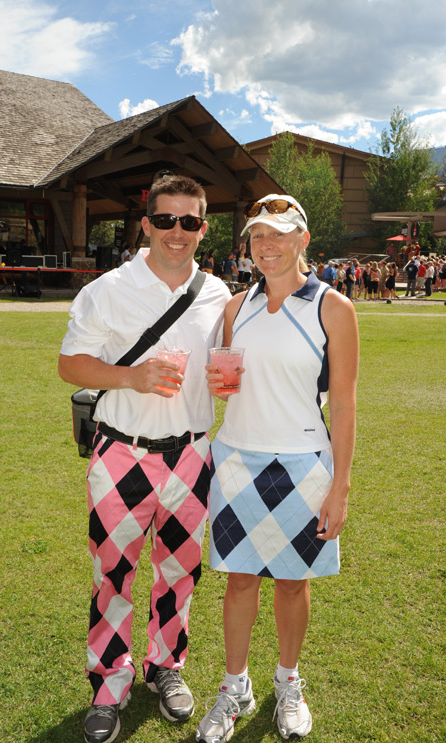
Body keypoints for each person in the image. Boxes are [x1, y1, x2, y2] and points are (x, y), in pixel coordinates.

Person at [58, 174, 231, 743]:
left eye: (188, 221)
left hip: (192, 455)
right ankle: (110, 681)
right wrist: (130, 376)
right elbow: (71, 366)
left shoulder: (217, 294)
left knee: (180, 572)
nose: (176, 232)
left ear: (203, 228)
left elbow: (230, 365)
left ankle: (165, 667)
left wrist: (226, 385)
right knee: (113, 573)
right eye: (164, 220)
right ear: (146, 223)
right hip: (122, 453)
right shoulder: (108, 288)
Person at [196, 194, 358, 742]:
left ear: (303, 240)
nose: (268, 245)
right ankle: (233, 686)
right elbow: (227, 379)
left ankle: (288, 680)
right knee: (239, 580)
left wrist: (341, 486)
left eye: (280, 233)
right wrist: (219, 386)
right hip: (237, 457)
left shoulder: (333, 307)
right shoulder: (235, 307)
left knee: (292, 583)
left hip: (304, 462)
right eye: (259, 235)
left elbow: (344, 402)